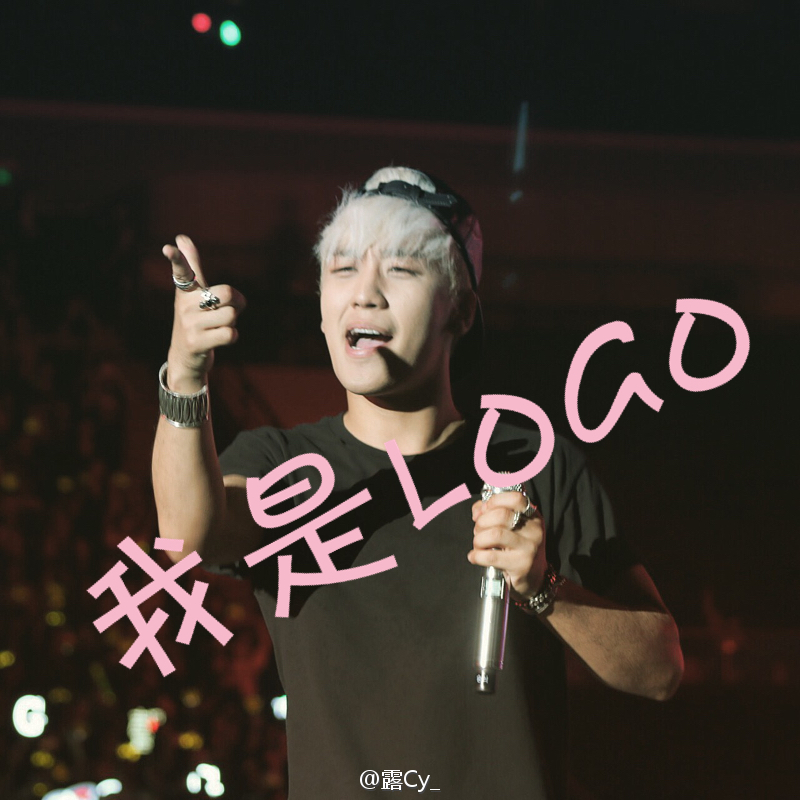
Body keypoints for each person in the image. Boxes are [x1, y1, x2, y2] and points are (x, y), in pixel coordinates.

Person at [152, 166, 683, 799]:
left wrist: (544, 588)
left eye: (401, 269)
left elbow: (660, 670)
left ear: (461, 310)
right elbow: (186, 539)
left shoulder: (533, 463)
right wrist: (185, 375)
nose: (365, 294)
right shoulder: (282, 463)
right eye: (342, 268)